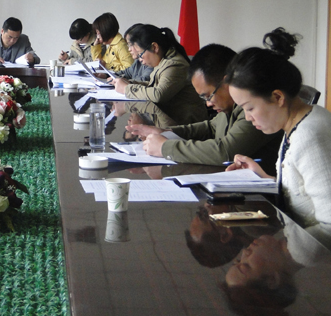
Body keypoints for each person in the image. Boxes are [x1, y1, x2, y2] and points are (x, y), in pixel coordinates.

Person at [225, 27, 331, 249]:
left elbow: (329, 227)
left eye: (250, 108)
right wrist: (263, 177)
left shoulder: (310, 135)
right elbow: (304, 195)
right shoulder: (296, 122)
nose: (248, 117)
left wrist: (285, 254)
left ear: (277, 97)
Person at [126, 43, 282, 171]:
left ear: (227, 82)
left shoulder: (255, 108)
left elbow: (225, 152)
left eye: (208, 95)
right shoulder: (231, 107)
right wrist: (166, 132)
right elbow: (211, 127)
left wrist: (165, 148)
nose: (208, 103)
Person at [110, 24, 208, 125]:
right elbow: (153, 85)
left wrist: (127, 88)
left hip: (186, 126)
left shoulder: (175, 65)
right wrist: (129, 83)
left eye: (140, 54)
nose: (139, 59)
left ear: (154, 47)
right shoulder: (163, 61)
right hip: (168, 121)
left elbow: (158, 94)